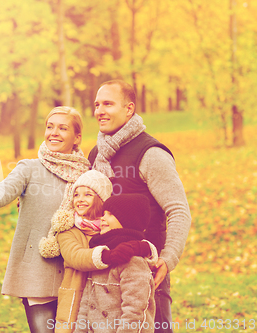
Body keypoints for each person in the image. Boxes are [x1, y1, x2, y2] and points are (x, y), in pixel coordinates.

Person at [0, 106, 95, 333]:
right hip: (37, 271)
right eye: (50, 127)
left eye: (63, 128)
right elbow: (3, 192)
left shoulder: (88, 175)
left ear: (77, 137)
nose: (54, 133)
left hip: (76, 273)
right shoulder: (29, 168)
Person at [88, 80, 191, 332]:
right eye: (97, 104)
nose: (99, 111)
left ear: (129, 109)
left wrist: (167, 259)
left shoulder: (151, 154)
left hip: (144, 270)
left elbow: (178, 209)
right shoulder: (95, 155)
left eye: (108, 104)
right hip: (102, 270)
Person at [39, 170, 156, 333]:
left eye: (88, 194)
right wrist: (108, 256)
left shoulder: (122, 250)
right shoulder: (73, 233)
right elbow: (77, 257)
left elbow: (134, 311)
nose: (80, 199)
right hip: (74, 298)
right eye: (76, 195)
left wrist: (142, 248)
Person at [74, 194, 157, 333]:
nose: (103, 218)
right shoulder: (101, 256)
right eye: (103, 214)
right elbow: (86, 306)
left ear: (128, 220)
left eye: (110, 214)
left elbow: (134, 312)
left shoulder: (134, 261)